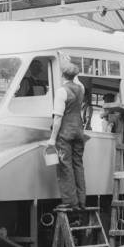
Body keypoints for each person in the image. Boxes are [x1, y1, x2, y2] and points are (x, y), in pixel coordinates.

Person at [47, 55, 86, 210]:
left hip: (65, 133)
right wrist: (68, 63)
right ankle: (81, 201)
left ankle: (70, 202)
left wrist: (51, 139)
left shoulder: (61, 91)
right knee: (78, 164)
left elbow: (57, 118)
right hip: (79, 131)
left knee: (65, 166)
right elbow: (77, 81)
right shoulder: (81, 89)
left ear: (62, 74)